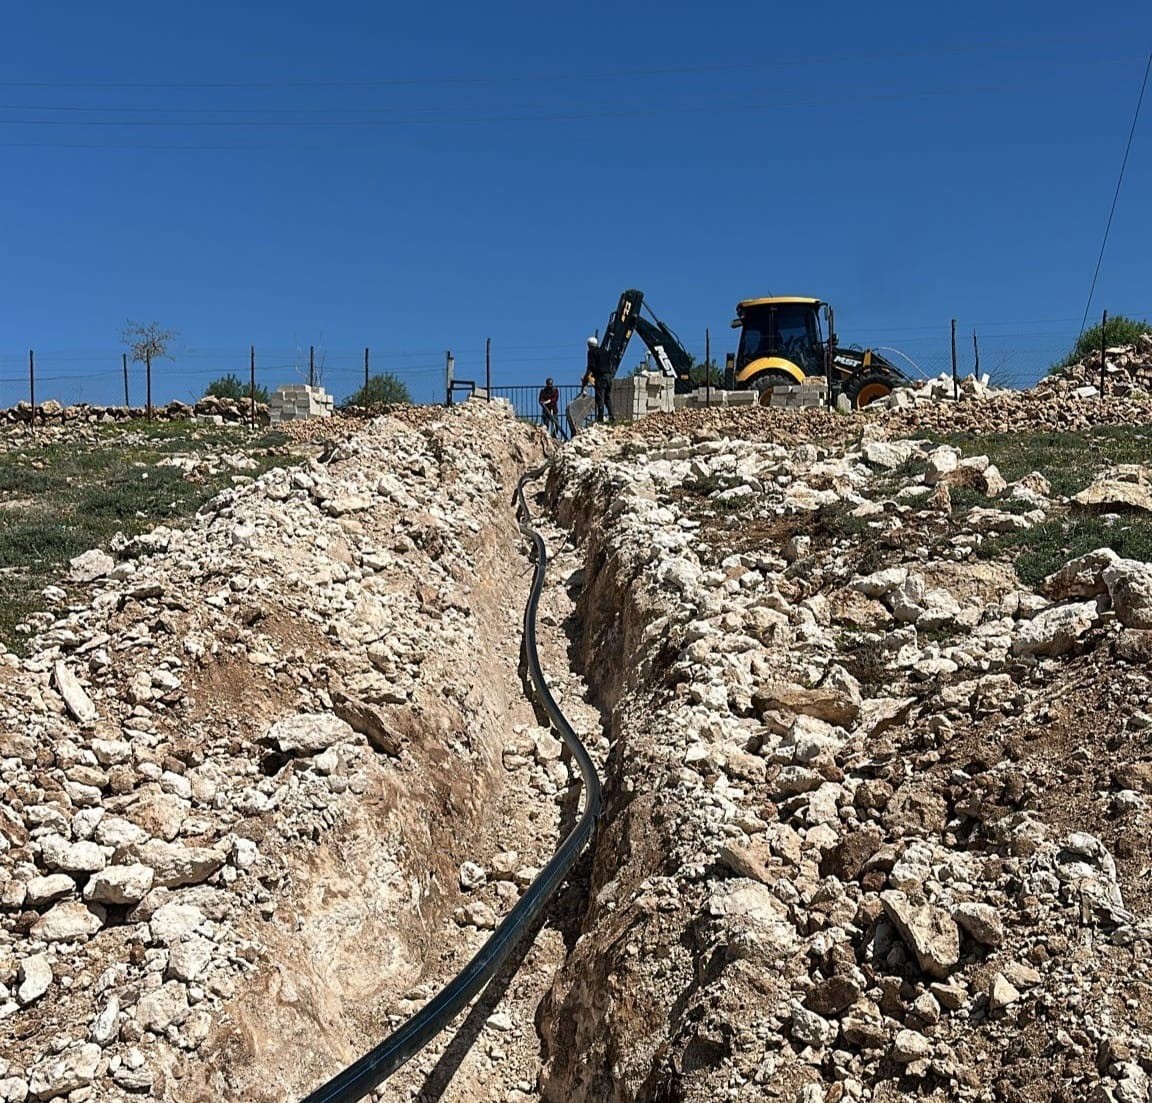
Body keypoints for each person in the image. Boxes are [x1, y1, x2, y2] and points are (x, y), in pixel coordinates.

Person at [584, 336, 614, 423]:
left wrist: (586, 376)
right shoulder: (604, 351)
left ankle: (600, 418)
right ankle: (612, 417)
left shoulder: (591, 352)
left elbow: (591, 366)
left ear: (589, 345)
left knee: (600, 398)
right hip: (609, 377)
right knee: (607, 398)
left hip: (601, 378)